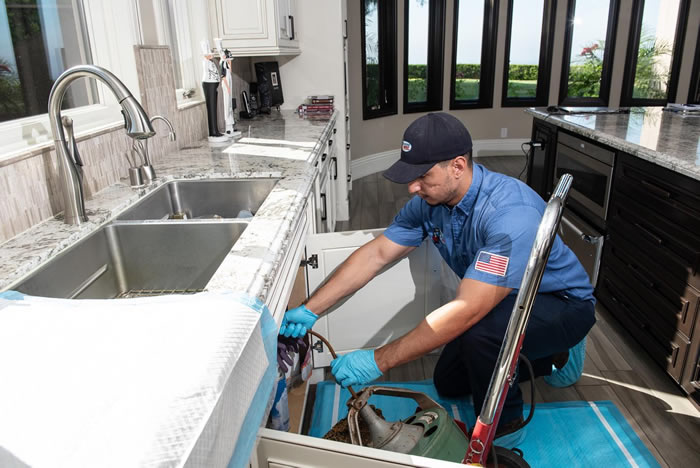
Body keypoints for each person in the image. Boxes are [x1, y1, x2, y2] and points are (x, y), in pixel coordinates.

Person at [279, 112, 595, 442]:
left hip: (558, 302)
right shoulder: (430, 203)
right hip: (501, 300)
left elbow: (467, 309)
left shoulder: (510, 214)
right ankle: (551, 358)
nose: (413, 187)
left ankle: (505, 428)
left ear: (457, 166)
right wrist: (310, 308)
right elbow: (376, 255)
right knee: (449, 382)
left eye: (423, 176)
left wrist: (379, 359)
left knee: (482, 336)